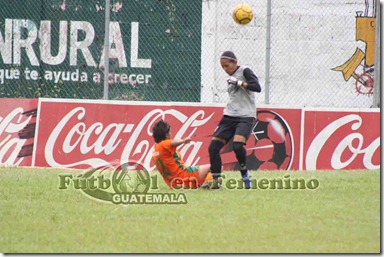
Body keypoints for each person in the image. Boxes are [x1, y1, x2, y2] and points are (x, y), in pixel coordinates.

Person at [208, 51, 261, 189]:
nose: (225, 69)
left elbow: (257, 87)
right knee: (213, 147)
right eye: (223, 67)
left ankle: (245, 174)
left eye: (227, 66)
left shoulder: (245, 71)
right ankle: (216, 181)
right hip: (229, 116)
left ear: (235, 62)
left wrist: (239, 82)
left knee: (237, 146)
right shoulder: (230, 77)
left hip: (246, 116)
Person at [152, 119, 212, 189]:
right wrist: (183, 141)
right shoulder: (164, 144)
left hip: (174, 184)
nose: (171, 134)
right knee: (216, 166)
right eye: (170, 132)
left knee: (209, 176)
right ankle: (206, 185)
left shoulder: (155, 150)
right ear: (166, 134)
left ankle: (203, 184)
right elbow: (173, 143)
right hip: (184, 176)